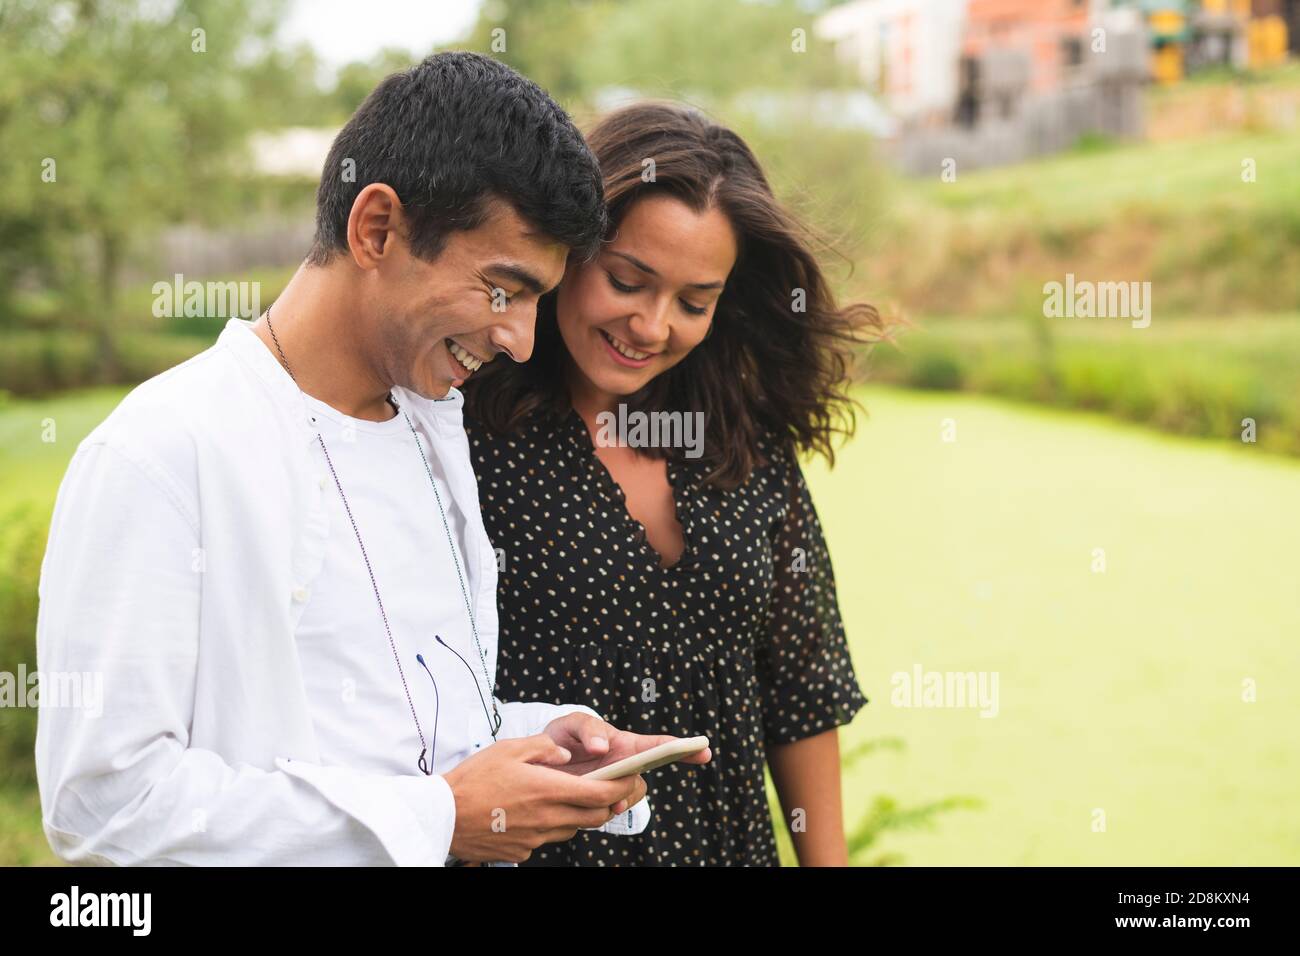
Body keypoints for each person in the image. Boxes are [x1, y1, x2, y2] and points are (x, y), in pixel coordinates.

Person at [34, 53, 707, 867]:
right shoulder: (163, 453)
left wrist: (535, 745)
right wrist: (441, 818)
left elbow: (404, 735)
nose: (520, 338)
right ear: (376, 228)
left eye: (538, 300)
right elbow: (105, 803)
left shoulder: (434, 428)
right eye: (503, 288)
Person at [464, 101, 882, 866]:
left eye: (695, 302)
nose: (654, 326)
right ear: (567, 250)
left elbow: (800, 690)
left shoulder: (742, 444)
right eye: (629, 281)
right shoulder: (466, 437)